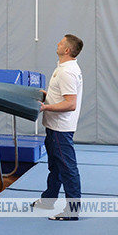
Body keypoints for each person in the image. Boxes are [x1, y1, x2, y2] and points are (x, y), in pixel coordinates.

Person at [31, 34, 84, 221]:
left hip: (61, 128)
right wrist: (44, 95)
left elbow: (70, 104)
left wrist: (45, 107)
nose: (57, 44)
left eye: (60, 43)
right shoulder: (63, 68)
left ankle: (72, 210)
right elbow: (61, 97)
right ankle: (48, 200)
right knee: (55, 166)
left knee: (68, 168)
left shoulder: (67, 72)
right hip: (53, 125)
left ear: (67, 50)